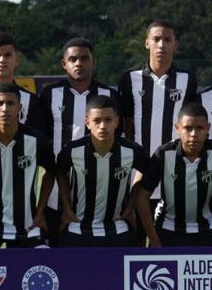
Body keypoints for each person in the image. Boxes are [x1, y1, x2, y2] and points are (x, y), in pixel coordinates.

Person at [38, 37, 121, 243]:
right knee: (58, 250)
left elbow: (118, 139)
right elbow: (42, 137)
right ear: (64, 64)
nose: (79, 63)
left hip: (99, 185)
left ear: (93, 62)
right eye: (73, 59)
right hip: (58, 186)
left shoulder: (109, 95)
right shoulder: (50, 94)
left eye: (84, 58)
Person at [0, 83, 56, 248]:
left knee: (44, 265)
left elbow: (51, 172)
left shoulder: (36, 140)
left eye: (10, 103)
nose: (5, 108)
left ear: (20, 107)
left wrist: (40, 212)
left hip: (28, 226)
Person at [137, 102, 212, 247]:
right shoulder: (163, 154)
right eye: (187, 128)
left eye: (200, 128)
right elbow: (142, 197)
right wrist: (153, 239)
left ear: (208, 128)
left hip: (210, 228)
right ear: (177, 128)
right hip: (168, 228)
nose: (193, 134)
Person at [55, 95, 149, 247]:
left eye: (108, 120)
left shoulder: (132, 151)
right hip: (79, 225)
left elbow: (146, 172)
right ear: (87, 123)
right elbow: (60, 172)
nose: (103, 126)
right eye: (97, 121)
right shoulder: (72, 150)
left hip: (117, 226)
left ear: (117, 122)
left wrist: (131, 206)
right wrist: (66, 207)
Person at [119, 20, 197, 155]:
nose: (161, 45)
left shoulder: (188, 79)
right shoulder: (129, 78)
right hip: (140, 161)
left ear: (175, 44)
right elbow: (127, 122)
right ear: (147, 43)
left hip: (175, 160)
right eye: (156, 39)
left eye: (167, 40)